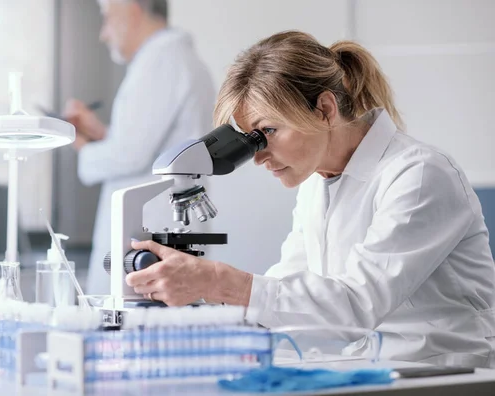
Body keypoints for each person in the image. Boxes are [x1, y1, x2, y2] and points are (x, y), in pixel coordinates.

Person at [126, 30, 495, 367]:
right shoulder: (315, 184)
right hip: (374, 368)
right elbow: (289, 290)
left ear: (325, 109)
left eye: (267, 131)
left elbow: (355, 305)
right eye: (250, 137)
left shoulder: (418, 174)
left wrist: (215, 281)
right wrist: (197, 317)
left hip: (449, 372)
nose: (256, 156)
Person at [64, 0, 215, 294]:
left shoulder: (160, 60)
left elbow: (129, 155)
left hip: (149, 232)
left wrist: (80, 144)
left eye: (107, 18)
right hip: (163, 227)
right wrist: (101, 133)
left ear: (130, 10)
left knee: (133, 331)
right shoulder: (179, 60)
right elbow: (151, 147)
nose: (104, 34)